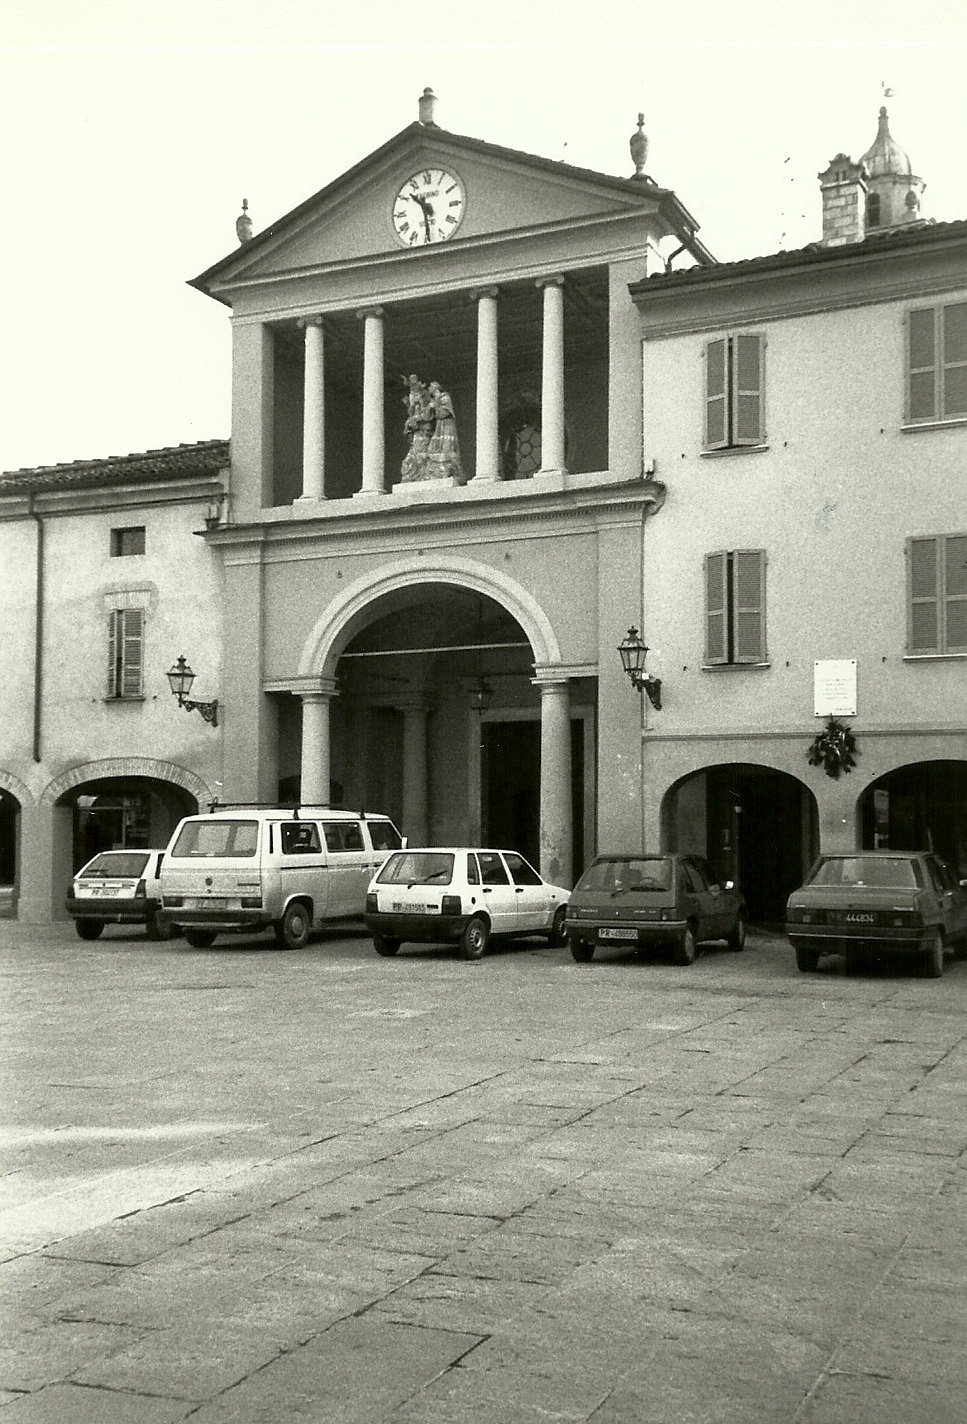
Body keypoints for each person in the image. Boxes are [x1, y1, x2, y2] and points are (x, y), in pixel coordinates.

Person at [425, 381, 463, 481]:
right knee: (434, 446)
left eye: (431, 386)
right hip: (439, 425)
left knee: (446, 445)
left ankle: (447, 465)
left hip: (446, 425)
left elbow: (446, 412)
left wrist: (435, 407)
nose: (429, 388)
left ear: (436, 388)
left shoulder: (445, 398)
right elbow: (428, 417)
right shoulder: (434, 400)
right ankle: (436, 467)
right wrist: (430, 408)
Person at [400, 375, 432, 482]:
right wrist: (411, 405)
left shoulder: (424, 395)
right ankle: (417, 473)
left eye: (414, 383)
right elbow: (411, 411)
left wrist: (418, 403)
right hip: (417, 428)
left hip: (423, 428)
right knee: (416, 450)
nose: (413, 387)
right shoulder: (412, 395)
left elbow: (427, 411)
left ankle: (423, 473)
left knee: (422, 449)